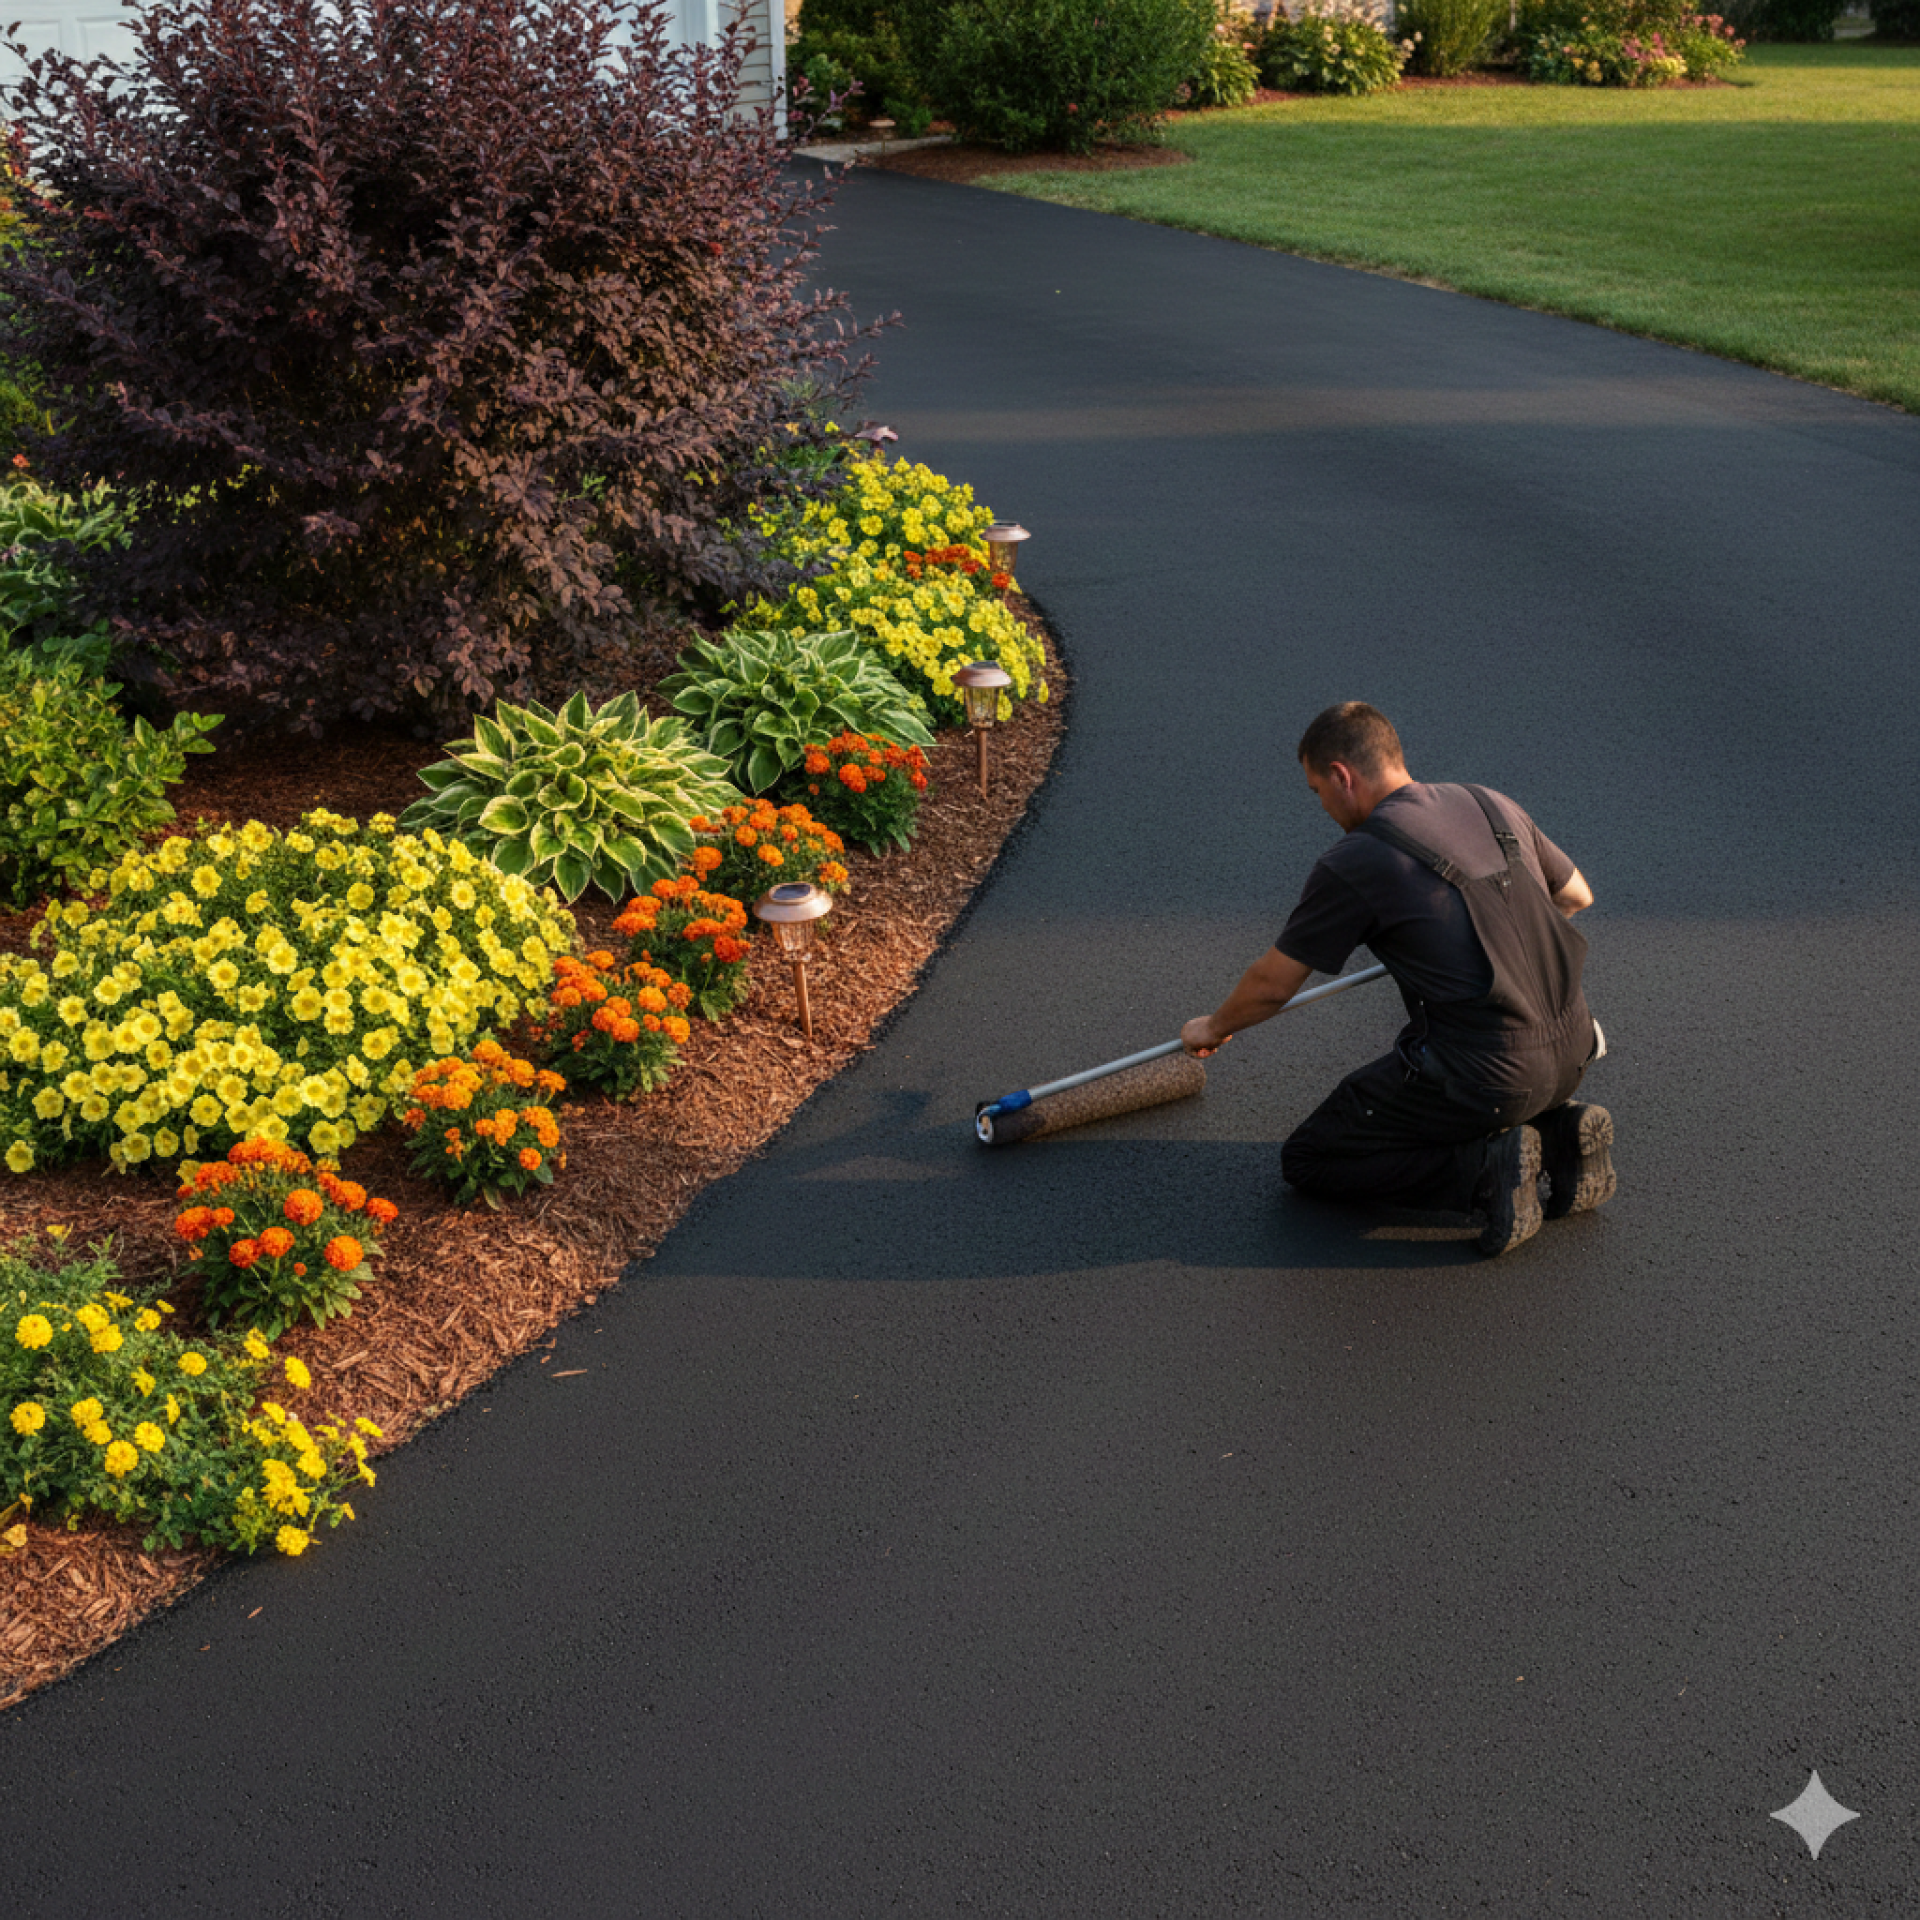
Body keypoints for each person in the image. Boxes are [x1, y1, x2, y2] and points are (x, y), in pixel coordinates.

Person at [1181, 702, 1615, 1256]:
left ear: (1342, 775)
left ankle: (1486, 1173)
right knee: (1494, 1083)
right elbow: (1576, 896)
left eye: (1318, 791)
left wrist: (1213, 1027)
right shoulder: (1490, 803)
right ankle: (1560, 1137)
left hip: (1488, 1077)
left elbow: (1272, 985)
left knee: (1311, 1159)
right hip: (1575, 1051)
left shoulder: (1360, 857)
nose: (1324, 807)